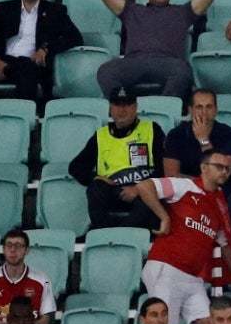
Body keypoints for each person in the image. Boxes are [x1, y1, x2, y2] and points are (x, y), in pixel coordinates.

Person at [135, 149, 231, 324]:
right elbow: (144, 186)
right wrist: (165, 217)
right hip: (167, 268)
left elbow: (226, 247)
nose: (224, 171)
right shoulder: (185, 186)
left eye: (227, 168)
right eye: (219, 167)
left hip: (193, 277)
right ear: (204, 168)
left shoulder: (220, 205)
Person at [68, 88, 163, 230]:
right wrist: (96, 177)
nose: (122, 110)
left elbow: (164, 168)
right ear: (110, 109)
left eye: (127, 105)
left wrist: (139, 188)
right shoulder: (101, 136)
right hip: (113, 192)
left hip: (143, 192)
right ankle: (104, 233)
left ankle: (120, 234)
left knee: (150, 200)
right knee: (95, 189)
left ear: (136, 107)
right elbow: (75, 167)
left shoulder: (151, 129)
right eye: (117, 105)